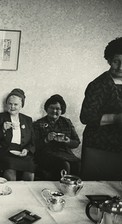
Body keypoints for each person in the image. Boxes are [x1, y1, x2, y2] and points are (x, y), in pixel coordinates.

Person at [80, 37, 122, 181]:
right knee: (99, 188)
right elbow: (86, 116)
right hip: (100, 146)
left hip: (119, 144)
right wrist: (116, 118)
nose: (121, 67)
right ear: (109, 60)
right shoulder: (99, 84)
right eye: (117, 61)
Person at [0, 88, 35, 181]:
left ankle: (26, 193)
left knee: (30, 169)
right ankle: (12, 193)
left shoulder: (27, 120)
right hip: (4, 151)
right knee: (10, 167)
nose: (12, 106)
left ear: (21, 106)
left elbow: (33, 140)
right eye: (10, 104)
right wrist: (3, 129)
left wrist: (27, 149)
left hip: (21, 152)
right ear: (6, 104)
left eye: (16, 104)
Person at [33, 94, 81, 180]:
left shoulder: (67, 122)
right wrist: (46, 139)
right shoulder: (38, 124)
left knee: (77, 164)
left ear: (62, 110)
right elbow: (34, 146)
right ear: (47, 108)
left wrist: (68, 141)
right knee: (64, 164)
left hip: (65, 153)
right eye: (52, 108)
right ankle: (60, 189)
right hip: (45, 154)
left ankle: (70, 188)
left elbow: (76, 142)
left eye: (58, 109)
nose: (54, 111)